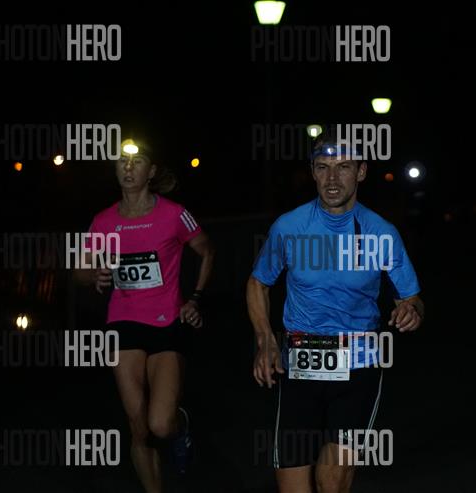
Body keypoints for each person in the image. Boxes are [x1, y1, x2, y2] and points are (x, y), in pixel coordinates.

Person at [246, 128, 424, 493]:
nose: (331, 178)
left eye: (343, 167)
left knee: (331, 482)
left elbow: (412, 298)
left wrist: (411, 311)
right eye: (322, 167)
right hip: (300, 365)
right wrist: (265, 340)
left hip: (358, 366)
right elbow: (258, 283)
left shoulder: (381, 233)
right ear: (312, 171)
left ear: (361, 171)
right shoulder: (289, 227)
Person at [75, 137, 214, 493]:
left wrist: (195, 299)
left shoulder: (173, 214)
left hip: (167, 323)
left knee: (160, 424)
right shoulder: (103, 221)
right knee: (138, 426)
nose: (128, 168)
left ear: (150, 172)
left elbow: (206, 251)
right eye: (122, 161)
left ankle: (179, 426)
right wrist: (94, 275)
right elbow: (79, 269)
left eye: (137, 162)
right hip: (123, 323)